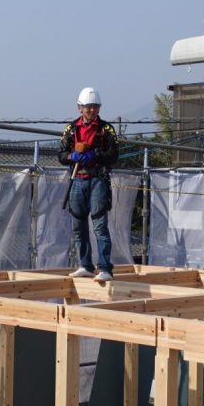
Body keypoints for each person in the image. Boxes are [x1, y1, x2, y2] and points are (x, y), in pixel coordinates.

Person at [58, 87, 119, 283]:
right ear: (80, 108)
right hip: (77, 179)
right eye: (88, 107)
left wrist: (95, 155)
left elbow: (113, 155)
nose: (92, 110)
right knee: (78, 224)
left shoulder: (106, 129)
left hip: (97, 179)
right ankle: (85, 265)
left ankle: (105, 268)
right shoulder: (71, 129)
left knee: (100, 225)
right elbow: (60, 155)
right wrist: (71, 156)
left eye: (95, 107)